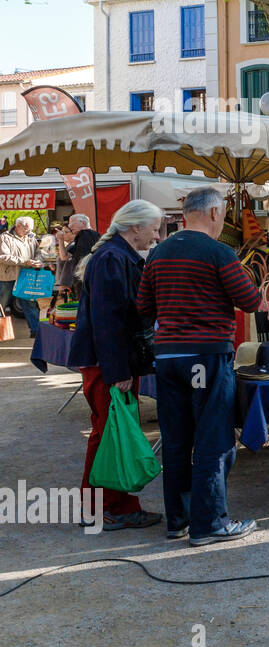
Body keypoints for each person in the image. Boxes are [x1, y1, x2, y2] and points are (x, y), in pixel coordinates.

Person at [136, 186, 262, 546]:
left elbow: (144, 305)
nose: (223, 220)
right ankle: (211, 525)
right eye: (222, 214)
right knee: (213, 439)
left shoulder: (158, 253)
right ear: (211, 214)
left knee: (176, 441)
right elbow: (250, 301)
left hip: (168, 357)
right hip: (205, 355)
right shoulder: (219, 252)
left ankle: (178, 521)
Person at [68, 200, 165, 530]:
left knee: (115, 432)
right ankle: (101, 509)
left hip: (109, 361)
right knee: (108, 432)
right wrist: (118, 370)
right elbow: (108, 320)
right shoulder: (112, 257)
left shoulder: (114, 254)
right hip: (107, 363)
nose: (156, 234)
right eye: (154, 227)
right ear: (135, 227)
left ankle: (119, 507)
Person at [0, 215, 46, 337]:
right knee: (1, 305)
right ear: (18, 226)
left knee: (29, 304)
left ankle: (36, 332)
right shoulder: (4, 238)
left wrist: (37, 260)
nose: (29, 231)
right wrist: (25, 261)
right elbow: (3, 257)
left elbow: (38, 252)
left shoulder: (31, 238)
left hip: (26, 276)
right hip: (7, 277)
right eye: (27, 228)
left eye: (30, 229)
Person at [59, 213, 100, 299]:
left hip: (85, 280)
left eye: (72, 222)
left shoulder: (87, 234)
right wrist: (60, 240)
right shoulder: (81, 237)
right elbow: (64, 257)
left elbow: (85, 259)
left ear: (83, 223)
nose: (70, 226)